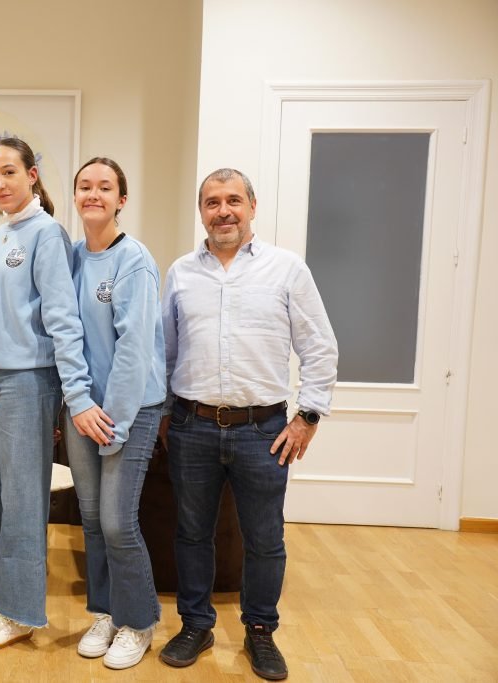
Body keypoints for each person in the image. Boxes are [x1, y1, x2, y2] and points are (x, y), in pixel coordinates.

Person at [157, 168, 338, 681]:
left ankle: (260, 631)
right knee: (192, 534)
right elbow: (165, 352)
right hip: (192, 425)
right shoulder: (181, 272)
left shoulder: (287, 270)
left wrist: (308, 416)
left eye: (233, 200)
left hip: (263, 432)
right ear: (202, 212)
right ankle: (196, 624)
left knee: (264, 538)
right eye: (212, 202)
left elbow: (320, 346)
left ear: (252, 207)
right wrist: (167, 414)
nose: (223, 211)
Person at [0, 137, 112, 652]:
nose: (0, 183)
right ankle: (5, 591)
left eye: (10, 172)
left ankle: (21, 611)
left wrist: (74, 392)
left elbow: (62, 318)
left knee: (23, 501)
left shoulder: (47, 233)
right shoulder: (1, 233)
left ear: (31, 175)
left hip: (30, 381)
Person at [64, 157, 165, 670]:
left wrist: (115, 423)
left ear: (121, 199)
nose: (94, 195)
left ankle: (141, 619)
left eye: (105, 187)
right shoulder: (74, 257)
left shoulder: (135, 260)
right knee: (90, 518)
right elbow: (67, 336)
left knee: (117, 521)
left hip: (130, 409)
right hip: (82, 410)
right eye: (85, 186)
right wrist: (79, 404)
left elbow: (134, 349)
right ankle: (106, 611)